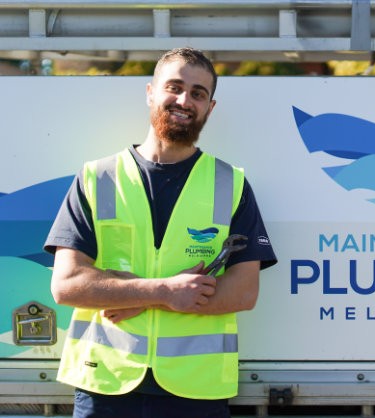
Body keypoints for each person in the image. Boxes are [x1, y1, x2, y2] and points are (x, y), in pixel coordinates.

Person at [44, 47, 277, 418]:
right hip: (104, 383)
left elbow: (244, 292)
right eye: (175, 87)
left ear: (209, 108)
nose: (185, 100)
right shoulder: (97, 177)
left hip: (196, 388)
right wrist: (164, 291)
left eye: (198, 93)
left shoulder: (230, 184)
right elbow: (67, 284)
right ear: (151, 92)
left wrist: (145, 296)